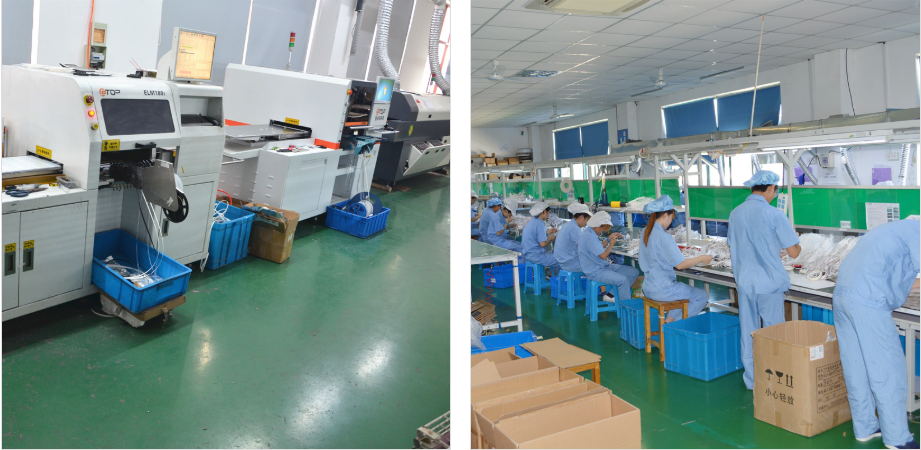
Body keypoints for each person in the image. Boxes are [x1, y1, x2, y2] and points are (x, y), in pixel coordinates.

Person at [832, 217, 920, 449]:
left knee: (856, 366)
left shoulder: (894, 229)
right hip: (868, 301)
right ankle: (897, 438)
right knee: (888, 368)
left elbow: (904, 276)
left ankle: (865, 427)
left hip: (842, 296)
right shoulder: (917, 232)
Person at [728, 170, 802, 391]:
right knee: (774, 333)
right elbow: (794, 252)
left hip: (745, 282)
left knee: (748, 331)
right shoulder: (775, 214)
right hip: (769, 283)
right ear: (771, 188)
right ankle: (776, 380)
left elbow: (737, 244)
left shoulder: (735, 213)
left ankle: (753, 380)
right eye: (775, 190)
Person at [638, 196, 712, 323]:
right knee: (702, 296)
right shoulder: (663, 237)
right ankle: (673, 324)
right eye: (671, 218)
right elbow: (680, 265)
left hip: (648, 286)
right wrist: (701, 258)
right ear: (665, 215)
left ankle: (670, 319)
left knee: (681, 291)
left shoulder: (646, 231)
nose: (670, 223)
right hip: (662, 289)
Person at [577, 211, 639, 303]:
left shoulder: (590, 232)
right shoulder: (589, 236)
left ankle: (610, 295)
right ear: (599, 226)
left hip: (603, 266)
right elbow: (603, 256)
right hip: (595, 271)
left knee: (634, 272)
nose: (603, 231)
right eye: (603, 229)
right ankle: (625, 307)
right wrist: (611, 245)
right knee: (623, 280)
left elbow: (598, 247)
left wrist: (608, 239)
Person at [521, 202, 560, 274]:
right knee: (561, 260)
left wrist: (547, 232)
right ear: (544, 212)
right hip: (536, 256)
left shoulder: (533, 221)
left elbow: (536, 236)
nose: (548, 215)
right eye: (548, 212)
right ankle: (557, 278)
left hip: (528, 254)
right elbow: (543, 244)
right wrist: (550, 237)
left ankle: (552, 275)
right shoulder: (540, 224)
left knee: (554, 255)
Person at [554, 203, 593, 273]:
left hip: (562, 260)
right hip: (569, 263)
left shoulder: (568, 224)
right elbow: (582, 247)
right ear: (581, 217)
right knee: (596, 266)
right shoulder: (574, 228)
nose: (586, 223)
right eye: (586, 220)